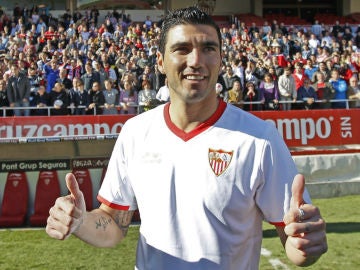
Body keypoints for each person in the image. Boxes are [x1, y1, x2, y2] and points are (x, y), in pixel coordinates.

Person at [46, 7, 327, 270]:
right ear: (160, 62)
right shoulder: (135, 132)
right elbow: (114, 223)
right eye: (182, 49)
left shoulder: (260, 139)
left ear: (220, 58)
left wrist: (305, 246)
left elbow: (293, 239)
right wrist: (81, 221)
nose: (196, 61)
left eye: (208, 49)